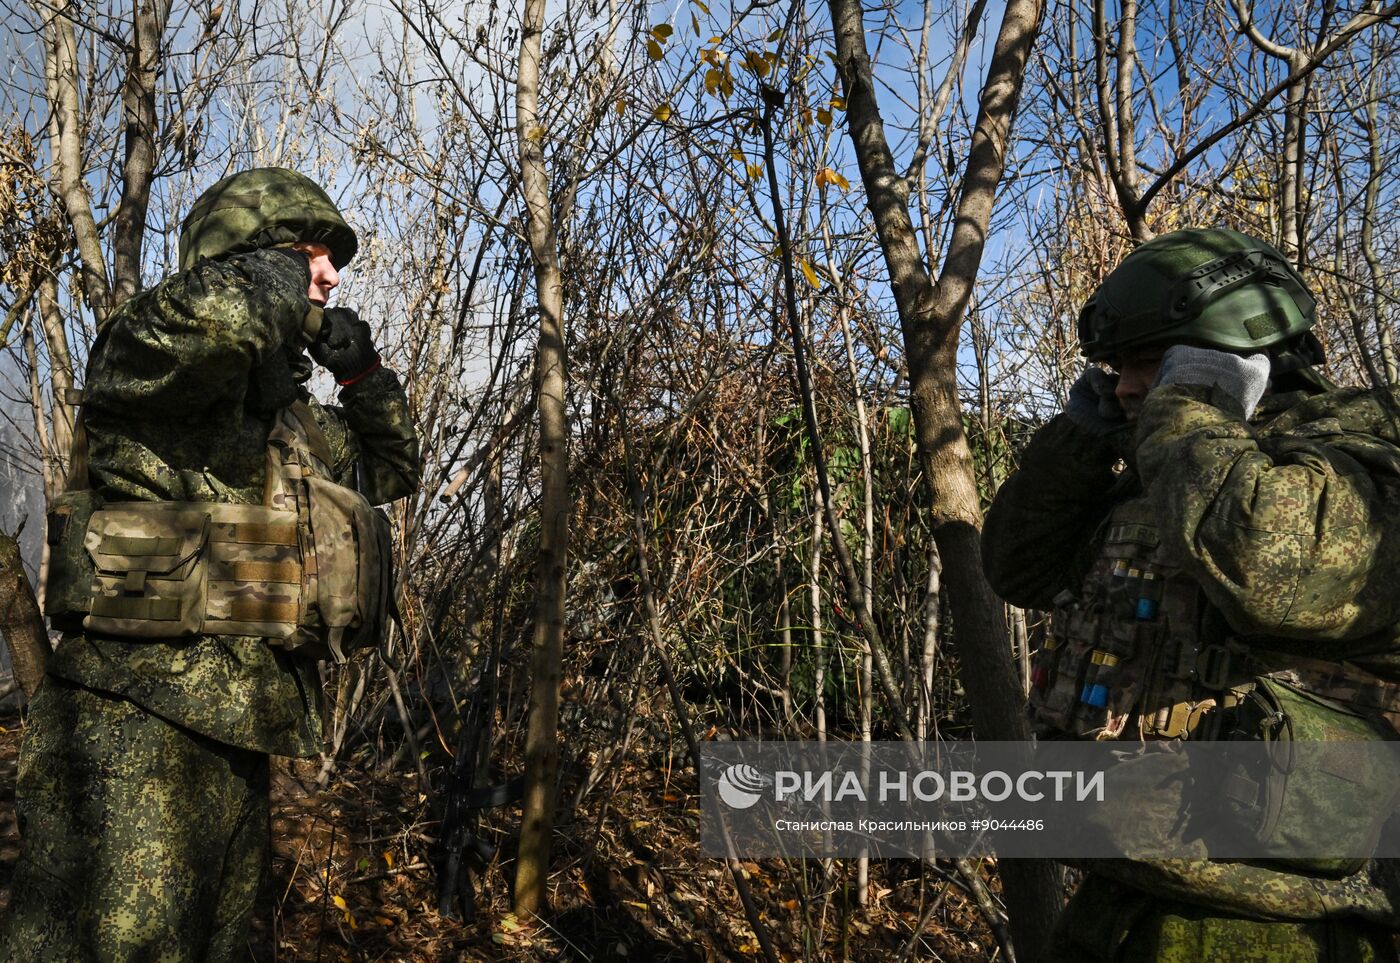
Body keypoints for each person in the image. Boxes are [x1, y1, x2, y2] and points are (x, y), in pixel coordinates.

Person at [0, 167, 420, 960]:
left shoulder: (290, 425)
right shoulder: (152, 360)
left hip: (240, 736)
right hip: (130, 728)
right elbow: (218, 319)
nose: (329, 273)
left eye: (332, 260)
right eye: (310, 252)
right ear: (249, 259)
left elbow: (389, 467)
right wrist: (280, 276)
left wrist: (362, 376)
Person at [983, 227, 1400, 962]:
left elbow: (1266, 566)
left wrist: (1191, 404)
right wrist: (1083, 439)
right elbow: (1017, 568)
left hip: (1276, 925)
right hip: (1121, 893)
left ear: (1237, 350)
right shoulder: (1177, 466)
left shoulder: (1359, 460)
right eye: (1116, 367)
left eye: (1149, 359)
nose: (1125, 385)